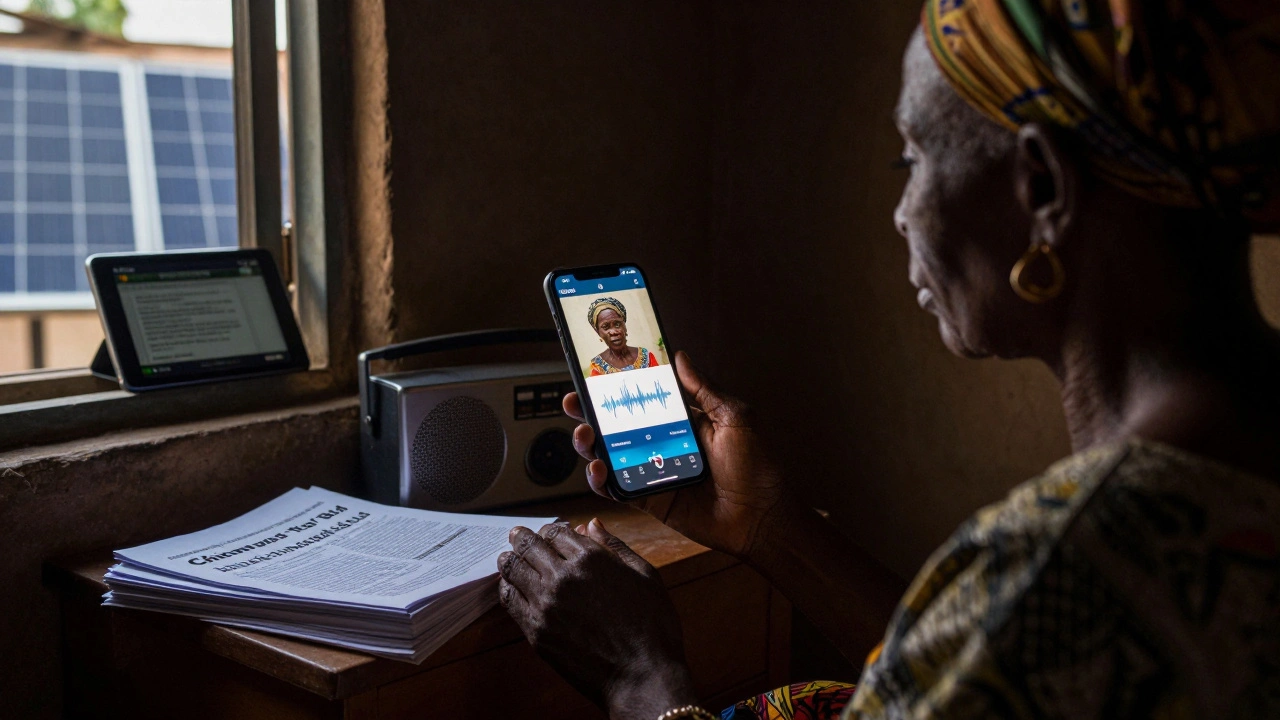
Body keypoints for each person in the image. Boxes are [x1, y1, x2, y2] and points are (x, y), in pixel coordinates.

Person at [497, 0, 1280, 718]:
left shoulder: (1068, 567)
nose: (902, 215)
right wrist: (770, 527)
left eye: (911, 161)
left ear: (1043, 186)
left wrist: (643, 681)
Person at [586, 297, 661, 376]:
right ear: (598, 332)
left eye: (617, 324)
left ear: (624, 326)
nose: (614, 332)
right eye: (605, 327)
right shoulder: (597, 366)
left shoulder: (646, 356)